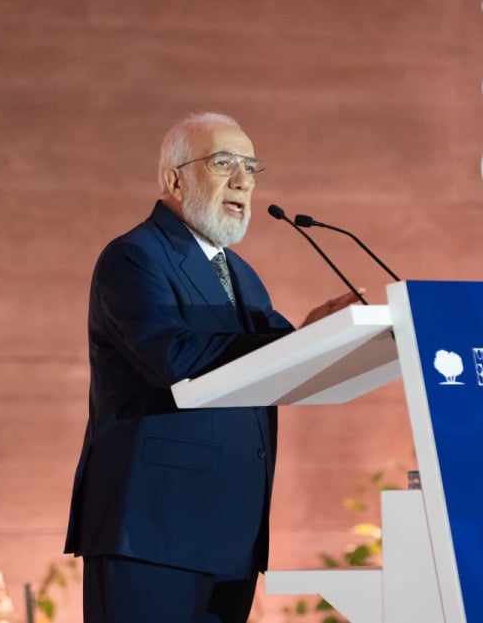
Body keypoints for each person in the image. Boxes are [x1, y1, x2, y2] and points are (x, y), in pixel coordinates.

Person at [64, 112, 359, 623]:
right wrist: (293, 342)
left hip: (231, 534)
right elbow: (173, 358)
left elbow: (274, 357)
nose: (243, 180)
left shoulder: (242, 275)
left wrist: (321, 341)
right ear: (175, 179)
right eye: (224, 163)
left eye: (251, 166)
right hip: (153, 532)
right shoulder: (133, 258)